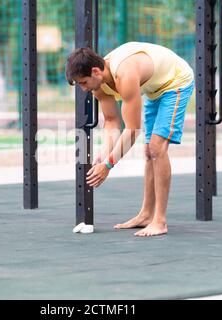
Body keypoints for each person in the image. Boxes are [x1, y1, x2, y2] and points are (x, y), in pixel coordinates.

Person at [65, 42, 194, 237]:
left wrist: (108, 165)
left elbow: (132, 130)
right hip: (154, 89)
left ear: (95, 72)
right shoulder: (98, 86)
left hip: (176, 82)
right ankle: (146, 215)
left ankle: (160, 221)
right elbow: (111, 121)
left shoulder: (124, 74)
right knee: (149, 152)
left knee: (157, 148)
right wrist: (106, 151)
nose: (83, 89)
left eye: (83, 82)